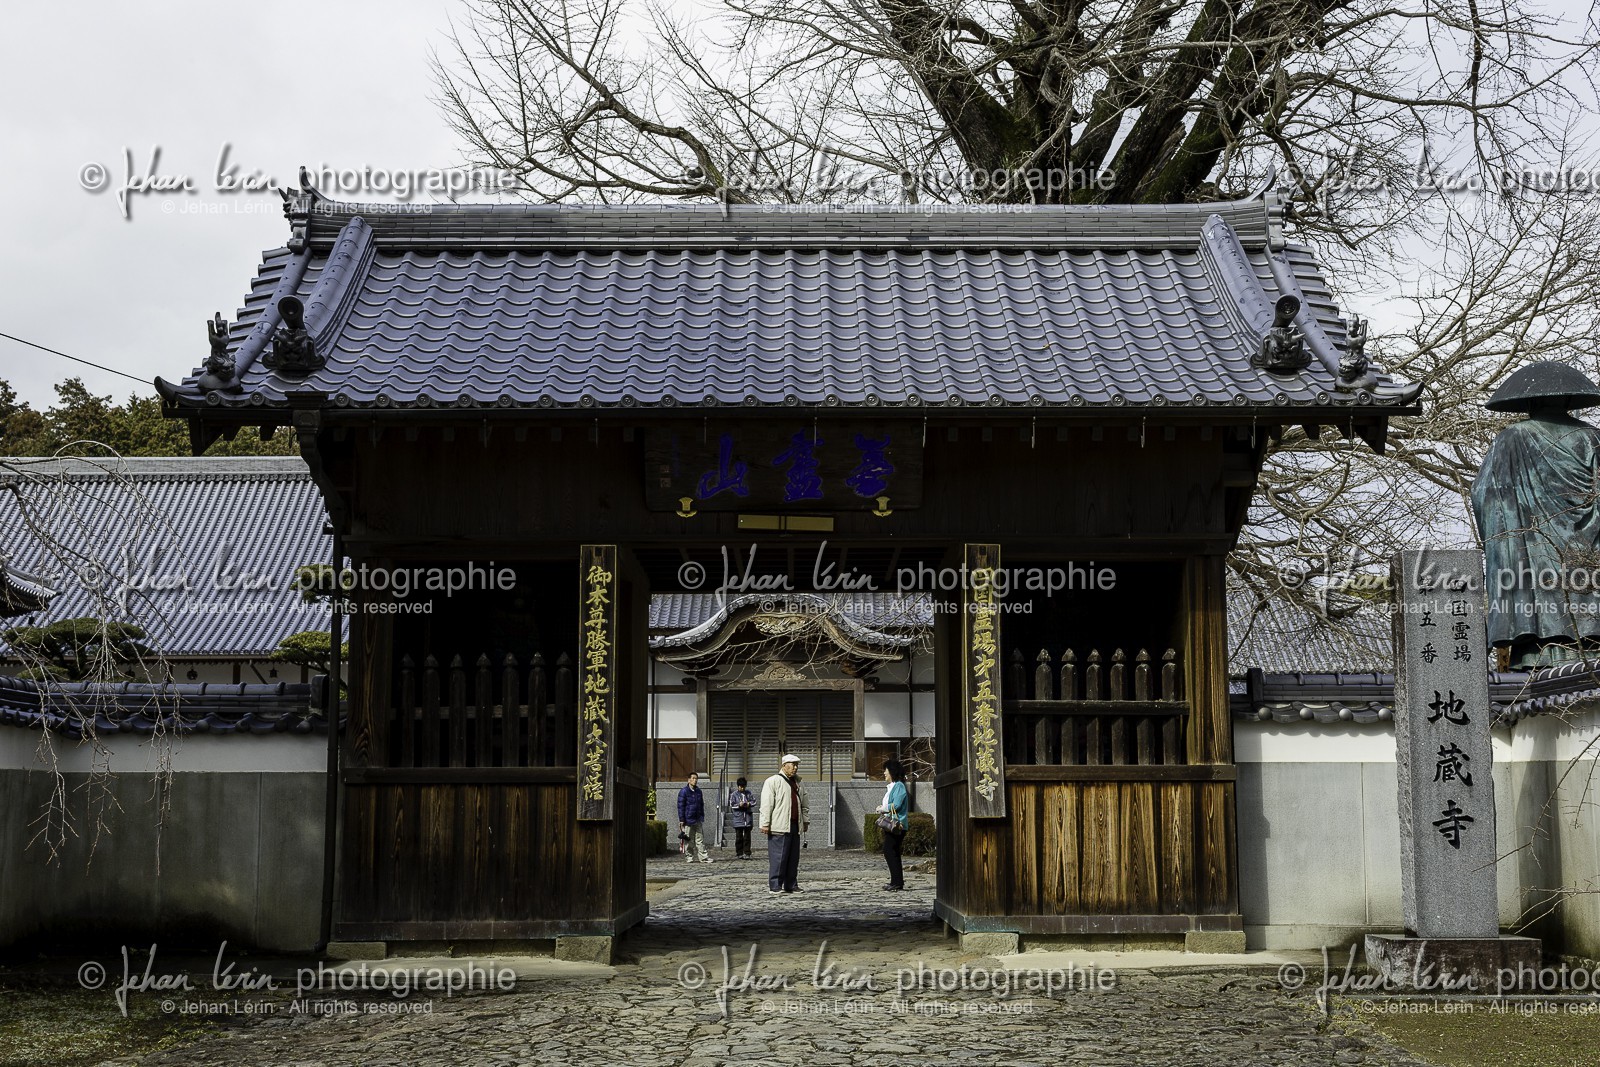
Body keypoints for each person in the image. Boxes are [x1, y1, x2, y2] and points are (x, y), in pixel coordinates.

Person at [1472, 362, 1600, 668]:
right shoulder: (1593, 438)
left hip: (1535, 553)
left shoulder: (1512, 437)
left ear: (1528, 402)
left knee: (1543, 610)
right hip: (1589, 557)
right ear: (1570, 401)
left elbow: (1486, 496)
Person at [760, 754, 809, 893]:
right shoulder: (773, 781)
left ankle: (791, 884)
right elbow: (766, 804)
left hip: (794, 824)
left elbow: (805, 804)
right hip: (778, 825)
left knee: (793, 858)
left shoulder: (799, 783)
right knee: (778, 857)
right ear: (784, 765)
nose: (795, 767)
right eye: (792, 764)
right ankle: (775, 885)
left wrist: (805, 821)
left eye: (796, 765)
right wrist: (765, 823)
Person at [876, 758, 910, 891]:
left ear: (892, 771)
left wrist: (882, 808)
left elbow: (896, 804)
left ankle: (896, 882)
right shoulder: (893, 787)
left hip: (897, 826)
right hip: (893, 825)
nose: (884, 773)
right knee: (893, 852)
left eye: (886, 770)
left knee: (889, 850)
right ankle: (896, 881)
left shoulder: (899, 786)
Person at [677, 772, 712, 864]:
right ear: (689, 780)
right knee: (689, 840)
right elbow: (681, 806)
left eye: (696, 778)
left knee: (700, 839)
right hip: (688, 819)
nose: (695, 780)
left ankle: (703, 857)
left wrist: (701, 816)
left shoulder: (698, 791)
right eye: (693, 778)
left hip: (698, 818)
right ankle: (689, 857)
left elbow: (701, 805)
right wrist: (681, 819)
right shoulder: (684, 791)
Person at [727, 777, 755, 859]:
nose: (742, 788)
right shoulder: (734, 795)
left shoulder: (749, 793)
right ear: (738, 786)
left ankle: (747, 852)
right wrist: (739, 805)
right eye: (740, 786)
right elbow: (732, 804)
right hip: (738, 819)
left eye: (743, 787)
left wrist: (748, 804)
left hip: (747, 819)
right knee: (739, 837)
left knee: (747, 837)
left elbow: (754, 801)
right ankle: (739, 852)